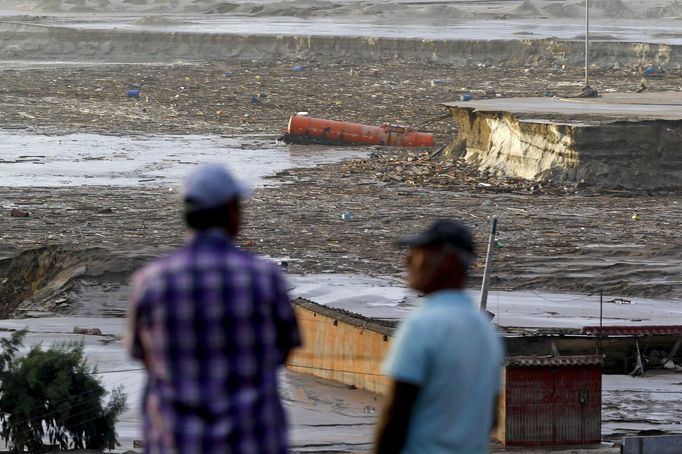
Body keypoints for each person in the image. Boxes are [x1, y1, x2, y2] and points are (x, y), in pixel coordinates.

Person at [126, 164, 301, 454]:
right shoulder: (265, 279)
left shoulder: (151, 282)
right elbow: (284, 350)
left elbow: (139, 353)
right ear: (232, 212)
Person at [374, 219, 504, 454]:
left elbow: (396, 416)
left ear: (448, 262)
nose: (408, 261)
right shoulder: (485, 331)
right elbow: (492, 417)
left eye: (420, 253)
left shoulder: (423, 324)